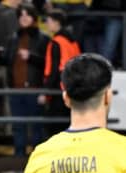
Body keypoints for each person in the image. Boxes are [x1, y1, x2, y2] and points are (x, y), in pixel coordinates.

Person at [4, 3, 47, 157]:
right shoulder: (13, 38)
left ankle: (38, 160)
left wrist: (31, 57)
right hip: (15, 89)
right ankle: (19, 158)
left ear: (34, 17)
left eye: (27, 15)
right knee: (18, 127)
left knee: (37, 127)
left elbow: (47, 63)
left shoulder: (43, 39)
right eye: (21, 16)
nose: (23, 18)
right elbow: (8, 60)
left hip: (35, 89)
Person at [41, 9, 80, 137]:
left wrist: (46, 92)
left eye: (49, 21)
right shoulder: (72, 41)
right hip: (72, 89)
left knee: (54, 129)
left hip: (58, 91)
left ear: (57, 23)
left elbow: (53, 70)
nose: (47, 24)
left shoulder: (56, 42)